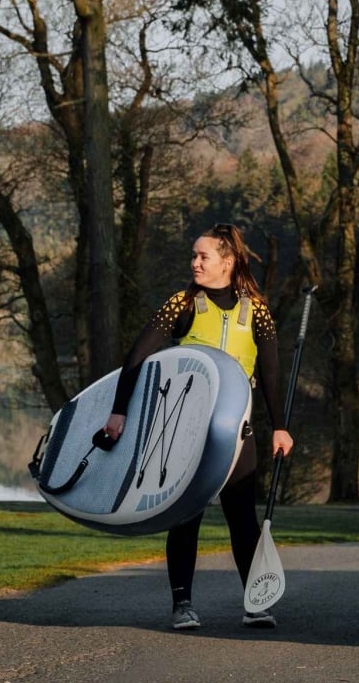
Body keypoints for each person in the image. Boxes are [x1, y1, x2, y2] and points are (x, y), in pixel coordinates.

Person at [102, 222, 292, 631]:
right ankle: (182, 604)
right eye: (193, 255)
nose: (195, 263)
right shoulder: (182, 303)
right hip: (187, 431)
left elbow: (272, 372)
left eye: (203, 256)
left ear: (228, 261)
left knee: (242, 519)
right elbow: (137, 356)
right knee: (186, 515)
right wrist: (119, 412)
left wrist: (280, 426)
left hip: (237, 432)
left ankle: (255, 602)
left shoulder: (255, 308)